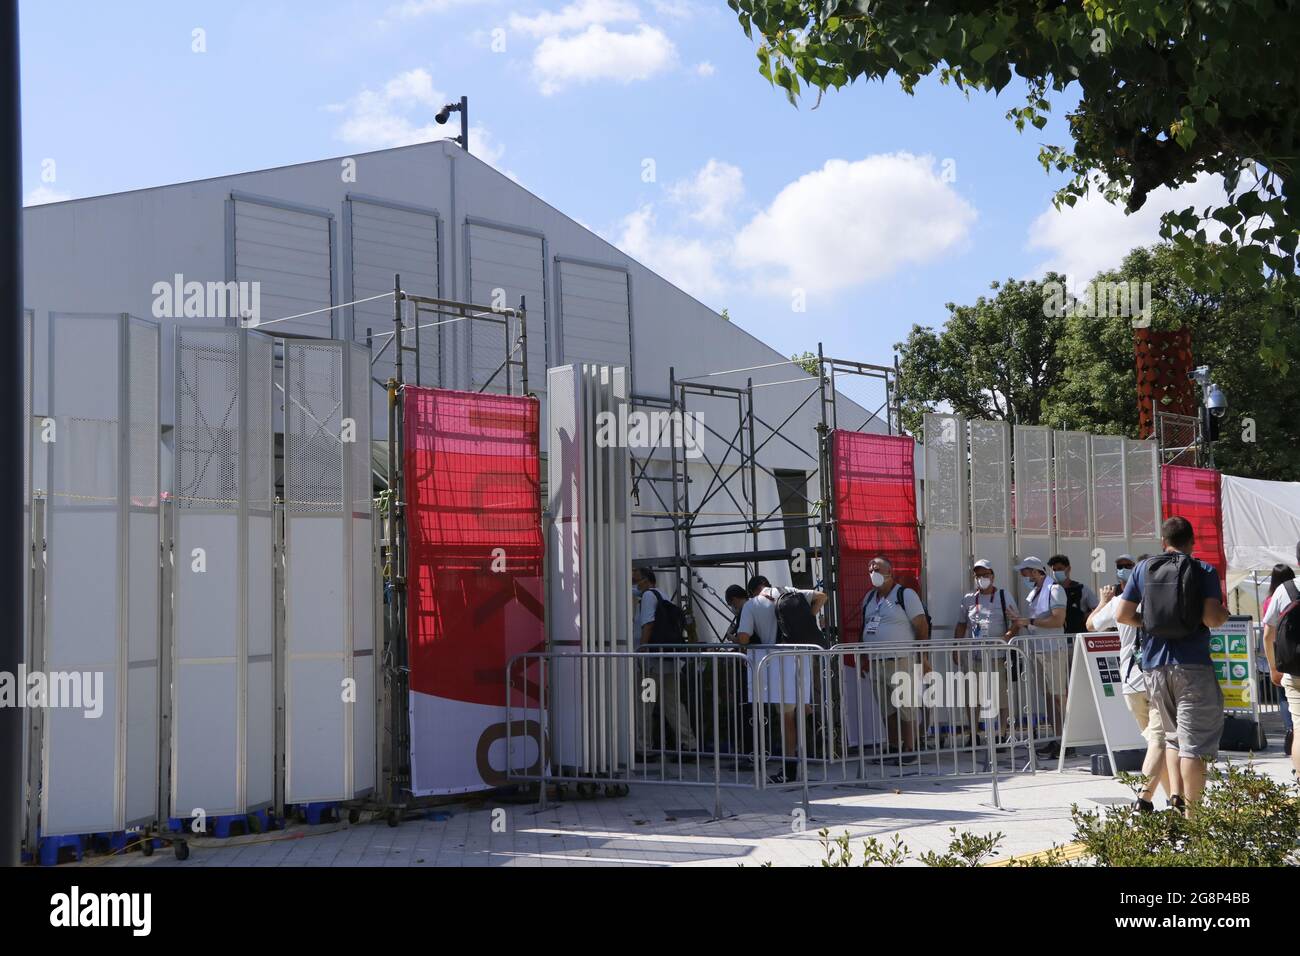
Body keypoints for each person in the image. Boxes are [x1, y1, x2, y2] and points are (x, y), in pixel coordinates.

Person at [1114, 517, 1230, 814]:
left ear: (1162, 542)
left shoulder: (1143, 569)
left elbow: (1123, 615)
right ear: (1191, 542)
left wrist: (1149, 624)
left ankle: (1176, 799)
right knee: (1195, 745)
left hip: (1154, 668)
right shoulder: (1202, 570)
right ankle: (1194, 818)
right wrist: (1224, 615)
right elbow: (1212, 619)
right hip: (1191, 665)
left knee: (1172, 738)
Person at [1088, 554, 1169, 811]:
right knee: (1160, 743)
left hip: (1132, 683)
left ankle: (1171, 798)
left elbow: (1091, 624)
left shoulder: (1120, 602)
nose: (1123, 571)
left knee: (1157, 743)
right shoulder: (1165, 600)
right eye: (1119, 567)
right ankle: (1148, 801)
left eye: (1127, 568)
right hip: (1159, 677)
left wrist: (1102, 602)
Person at [731, 575, 827, 783]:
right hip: (801, 657)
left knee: (787, 718)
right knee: (802, 705)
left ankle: (789, 769)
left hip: (778, 665)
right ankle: (822, 737)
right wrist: (807, 619)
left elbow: (744, 638)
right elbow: (821, 596)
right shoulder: (788, 591)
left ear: (752, 591)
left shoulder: (752, 605)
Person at [857, 556, 930, 757]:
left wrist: (922, 658)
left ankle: (910, 749)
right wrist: (864, 658)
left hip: (900, 659)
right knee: (886, 709)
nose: (873, 572)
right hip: (875, 662)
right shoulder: (869, 598)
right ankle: (893, 747)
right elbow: (863, 627)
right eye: (870, 568)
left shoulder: (905, 595)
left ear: (890, 572)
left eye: (877, 568)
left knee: (906, 706)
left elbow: (922, 626)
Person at [631, 567, 699, 757]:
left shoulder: (647, 598)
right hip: (669, 661)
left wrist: (642, 651)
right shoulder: (663, 595)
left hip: (651, 664)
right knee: (673, 703)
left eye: (636, 580)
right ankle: (689, 743)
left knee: (646, 702)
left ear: (646, 580)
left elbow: (648, 624)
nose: (634, 585)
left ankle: (644, 746)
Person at [952, 559, 1020, 744]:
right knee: (972, 697)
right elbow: (961, 625)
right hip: (974, 657)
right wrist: (956, 648)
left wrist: (1007, 636)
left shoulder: (1004, 596)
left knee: (1000, 697)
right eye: (978, 575)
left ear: (993, 576)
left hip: (997, 656)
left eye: (985, 575)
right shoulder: (967, 599)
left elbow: (1016, 622)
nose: (982, 578)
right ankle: (973, 734)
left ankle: (1001, 732)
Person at [1013, 556, 1068, 756]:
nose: (1023, 576)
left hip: (1052, 650)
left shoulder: (1054, 590)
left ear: (1036, 571)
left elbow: (1057, 620)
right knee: (1049, 698)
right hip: (1039, 649)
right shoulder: (1036, 592)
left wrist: (1029, 622)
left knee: (1058, 697)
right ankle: (1057, 738)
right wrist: (1025, 622)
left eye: (1025, 572)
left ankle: (1066, 741)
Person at [1261, 547, 1300, 779]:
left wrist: (1274, 668)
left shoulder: (1285, 590)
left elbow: (1268, 634)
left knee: (1299, 729)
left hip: (1295, 672)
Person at [1047, 554, 1098, 637]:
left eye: (1060, 569)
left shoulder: (1081, 588)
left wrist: (1083, 617)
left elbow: (1097, 609)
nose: (1056, 572)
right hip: (1057, 639)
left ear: (1068, 569)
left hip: (1078, 637)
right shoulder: (1049, 590)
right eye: (1054, 570)